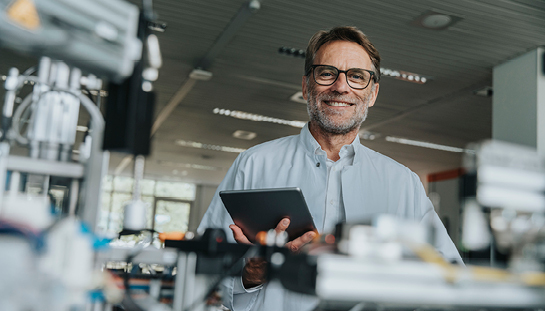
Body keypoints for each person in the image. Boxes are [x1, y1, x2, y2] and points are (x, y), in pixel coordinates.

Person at [198, 26, 462, 311]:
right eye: (327, 73)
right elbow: (197, 272)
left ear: (372, 94)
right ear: (305, 85)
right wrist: (250, 274)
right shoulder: (254, 164)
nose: (341, 86)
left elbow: (448, 278)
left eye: (357, 76)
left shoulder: (402, 183)